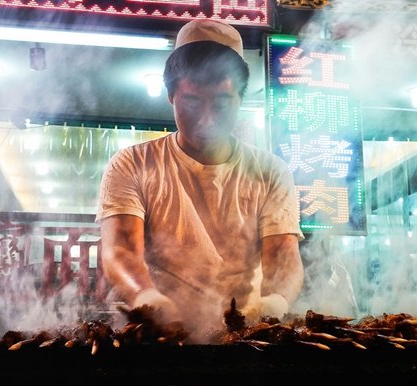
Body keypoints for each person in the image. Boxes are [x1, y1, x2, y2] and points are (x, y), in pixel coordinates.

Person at [96, 19, 304, 338]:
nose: (206, 119)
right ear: (171, 96)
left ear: (241, 99)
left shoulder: (270, 171)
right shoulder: (133, 163)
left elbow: (283, 255)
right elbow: (121, 249)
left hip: (244, 338)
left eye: (221, 103)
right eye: (192, 101)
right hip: (159, 336)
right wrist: (146, 297)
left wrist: (274, 301)